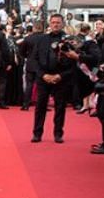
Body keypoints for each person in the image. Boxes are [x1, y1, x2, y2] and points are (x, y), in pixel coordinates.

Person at [25, 11, 75, 143]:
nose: (56, 25)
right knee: (40, 106)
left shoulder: (69, 40)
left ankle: (58, 133)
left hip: (61, 78)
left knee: (60, 107)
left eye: (58, 22)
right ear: (49, 24)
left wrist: (60, 76)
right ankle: (37, 133)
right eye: (53, 22)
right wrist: (43, 75)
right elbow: (34, 59)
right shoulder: (42, 39)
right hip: (43, 78)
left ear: (63, 24)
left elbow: (74, 63)